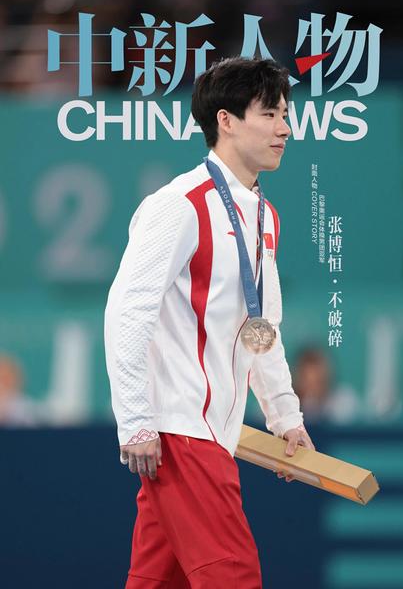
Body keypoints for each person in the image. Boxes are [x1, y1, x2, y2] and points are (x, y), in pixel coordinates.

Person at [104, 57, 315, 589]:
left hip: (214, 434)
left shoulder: (264, 216)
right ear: (226, 120)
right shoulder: (179, 205)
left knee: (158, 582)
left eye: (285, 114)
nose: (285, 129)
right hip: (181, 431)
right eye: (270, 114)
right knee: (235, 577)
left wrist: (285, 417)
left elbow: (261, 329)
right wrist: (136, 420)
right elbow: (128, 310)